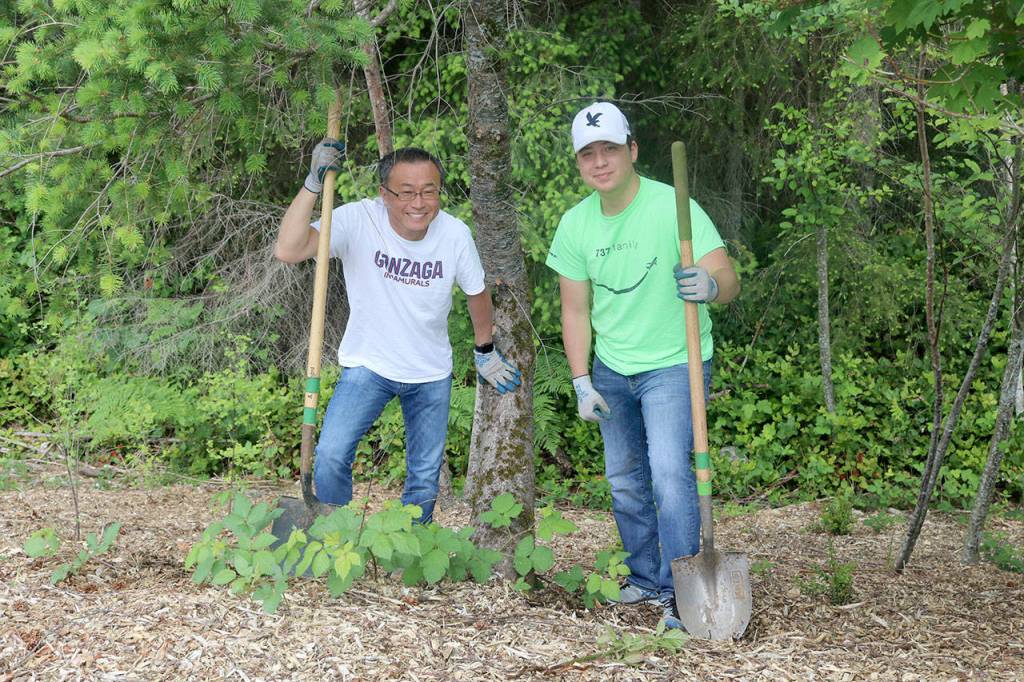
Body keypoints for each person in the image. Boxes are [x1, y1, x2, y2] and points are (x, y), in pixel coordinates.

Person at [545, 102, 740, 628]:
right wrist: (581, 379)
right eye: (588, 153)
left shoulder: (673, 206)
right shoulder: (575, 225)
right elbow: (575, 309)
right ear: (580, 164)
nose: (600, 161)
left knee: (670, 476)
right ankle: (647, 581)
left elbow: (726, 274)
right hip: (612, 368)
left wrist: (712, 286)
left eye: (609, 148)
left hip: (675, 365)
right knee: (625, 479)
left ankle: (683, 594)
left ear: (632, 151)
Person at [275, 142, 521, 523]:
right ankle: (335, 534)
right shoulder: (359, 220)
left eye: (429, 191)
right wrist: (312, 184)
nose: (418, 203)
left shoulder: (455, 235)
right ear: (384, 194)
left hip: (430, 372)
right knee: (331, 455)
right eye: (406, 192)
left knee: (423, 479)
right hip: (368, 365)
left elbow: (477, 295)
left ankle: (410, 550)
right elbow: (289, 249)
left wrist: (484, 349)